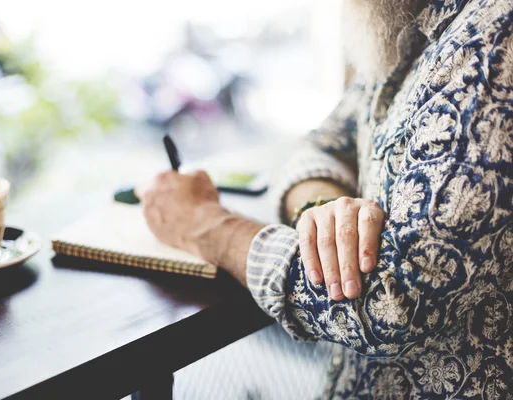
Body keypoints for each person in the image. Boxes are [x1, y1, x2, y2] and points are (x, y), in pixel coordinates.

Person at [138, 0, 513, 398]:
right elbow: (325, 144)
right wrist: (321, 212)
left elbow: (393, 303)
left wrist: (209, 227)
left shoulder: (496, 37)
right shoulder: (411, 23)